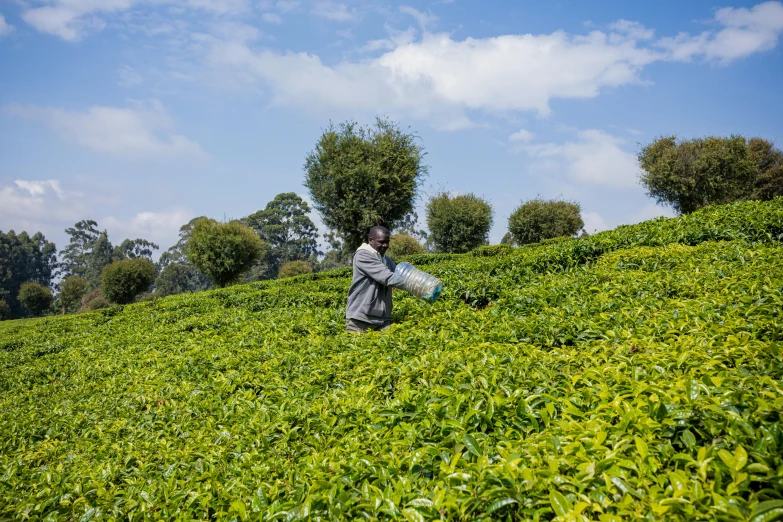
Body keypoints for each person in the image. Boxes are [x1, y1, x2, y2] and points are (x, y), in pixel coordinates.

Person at [345, 226, 404, 333]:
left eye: (387, 242)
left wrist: (408, 273)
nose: (385, 245)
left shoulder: (385, 259)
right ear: (371, 240)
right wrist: (417, 285)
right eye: (381, 242)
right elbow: (388, 278)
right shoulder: (363, 256)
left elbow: (397, 274)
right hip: (360, 319)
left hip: (382, 319)